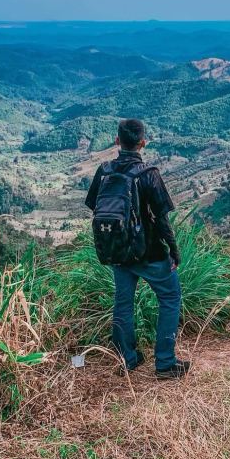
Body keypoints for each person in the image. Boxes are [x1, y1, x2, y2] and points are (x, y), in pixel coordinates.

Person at [85, 118, 190, 379]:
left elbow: (94, 206)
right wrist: (174, 250)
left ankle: (127, 359)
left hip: (118, 251)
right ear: (143, 143)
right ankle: (165, 363)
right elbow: (163, 219)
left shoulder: (105, 170)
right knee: (170, 298)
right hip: (150, 252)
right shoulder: (148, 174)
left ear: (117, 140)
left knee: (123, 303)